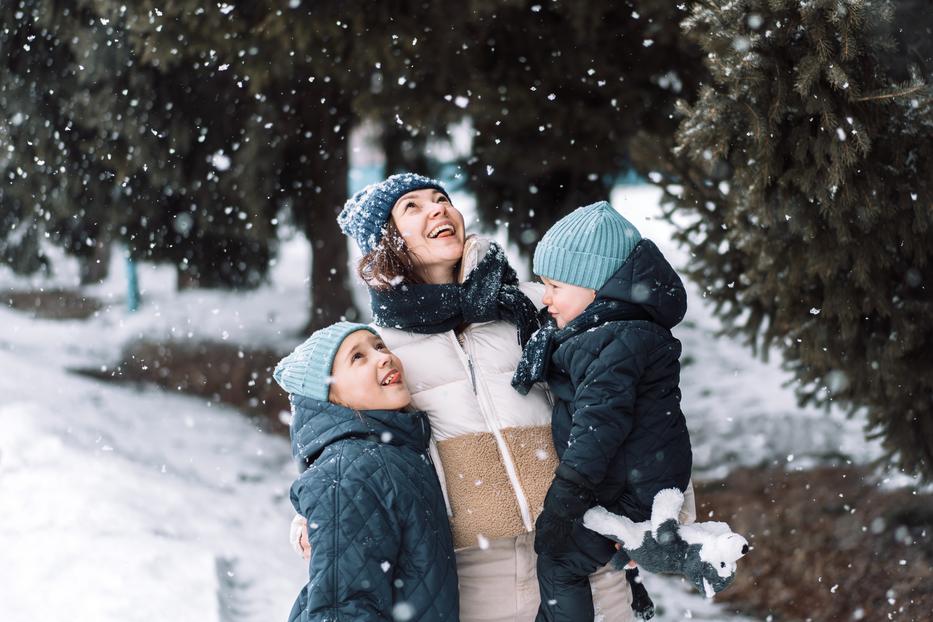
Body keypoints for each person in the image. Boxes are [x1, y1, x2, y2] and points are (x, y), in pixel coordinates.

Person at [511, 201, 694, 621]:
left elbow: (599, 425)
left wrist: (565, 498)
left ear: (597, 285)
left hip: (632, 485)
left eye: (555, 286)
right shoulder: (618, 329)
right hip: (642, 476)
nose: (547, 298)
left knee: (558, 561)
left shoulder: (612, 341)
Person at [274, 321, 458, 621]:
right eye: (357, 357)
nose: (382, 357)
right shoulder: (350, 470)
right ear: (330, 397)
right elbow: (341, 606)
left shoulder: (394, 452)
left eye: (379, 346)